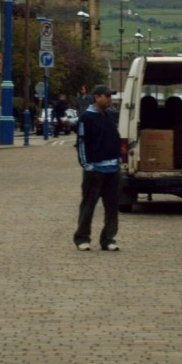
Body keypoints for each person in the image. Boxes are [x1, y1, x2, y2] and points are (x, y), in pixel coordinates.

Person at [74, 85, 121, 252]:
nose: (109, 99)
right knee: (88, 205)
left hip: (112, 168)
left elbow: (115, 139)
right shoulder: (86, 118)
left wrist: (118, 160)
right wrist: (87, 166)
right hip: (95, 169)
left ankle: (108, 239)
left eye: (110, 96)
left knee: (112, 206)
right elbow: (81, 143)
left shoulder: (109, 116)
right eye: (107, 96)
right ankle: (82, 238)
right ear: (97, 97)